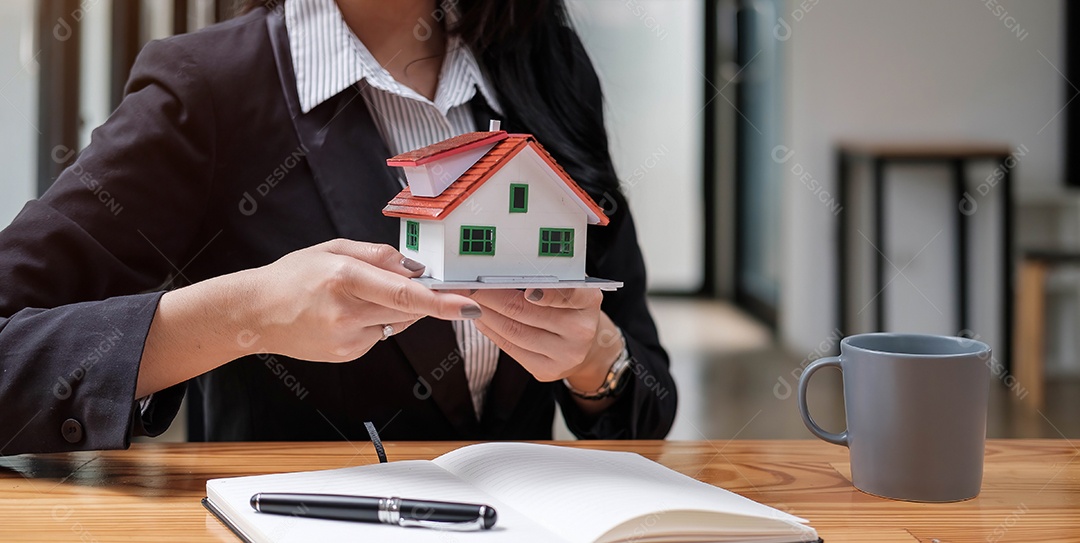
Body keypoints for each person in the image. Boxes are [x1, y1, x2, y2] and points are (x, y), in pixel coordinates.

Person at [0, 0, 676, 455]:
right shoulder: (207, 89)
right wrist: (246, 311)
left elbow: (649, 403)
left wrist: (594, 359)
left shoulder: (544, 69)